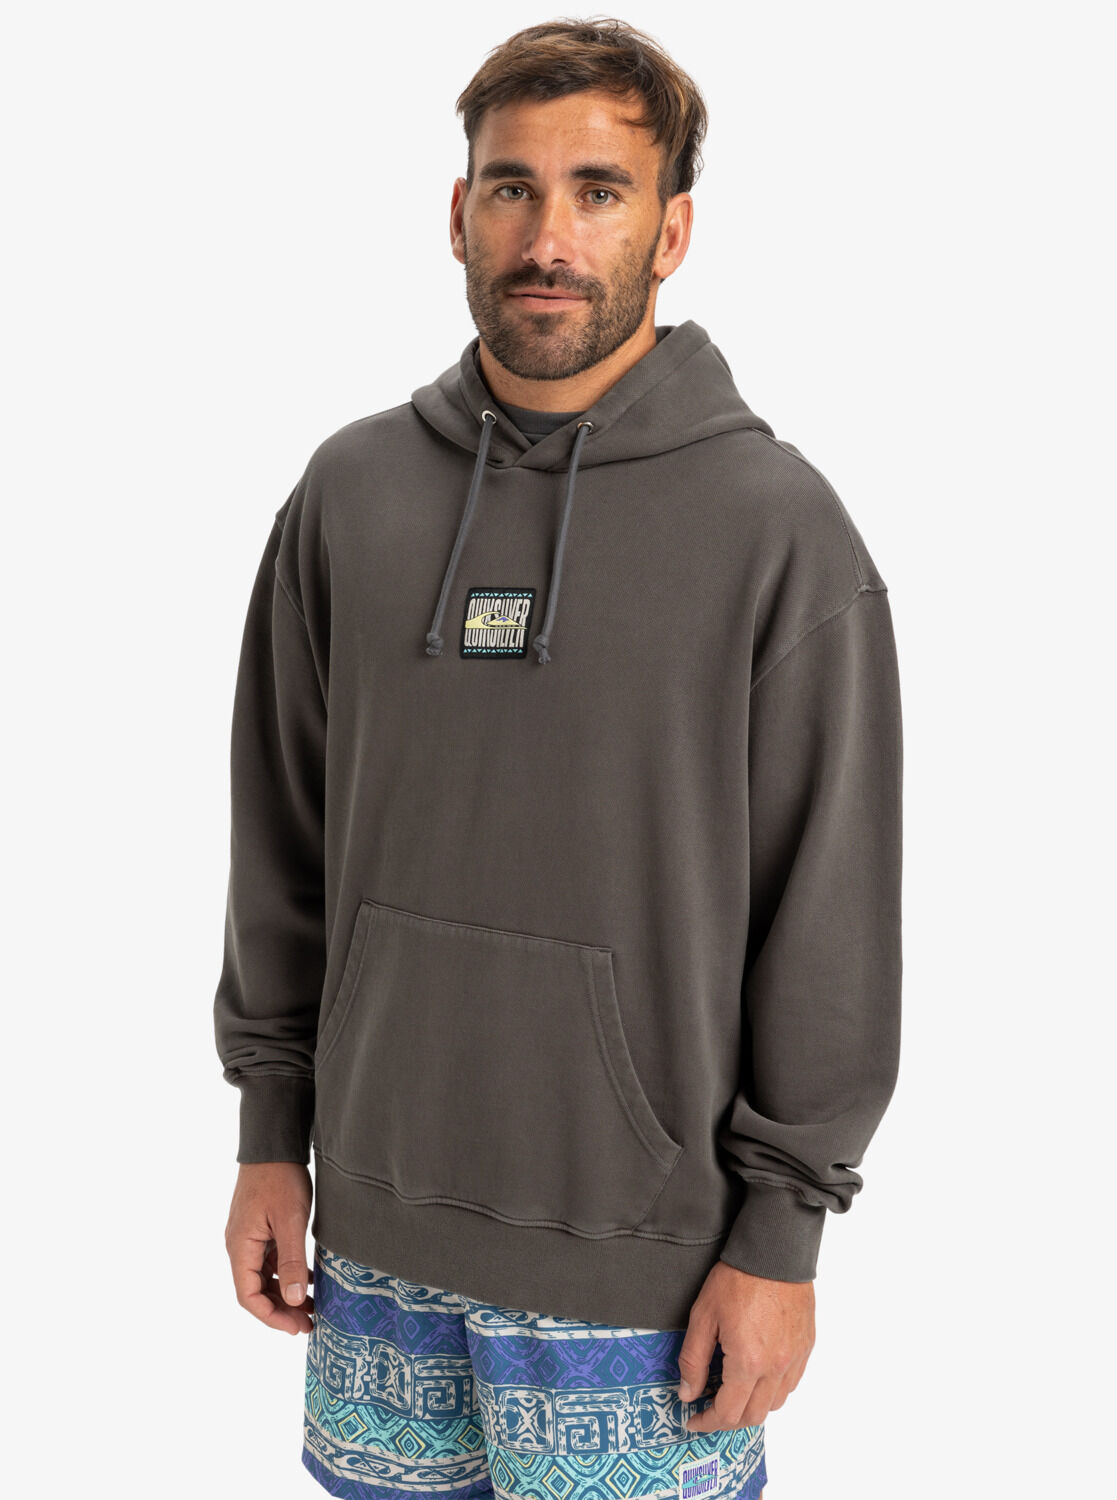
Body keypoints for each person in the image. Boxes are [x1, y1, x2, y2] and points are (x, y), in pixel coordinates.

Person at [214, 18, 903, 1500]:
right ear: (457, 212)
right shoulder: (348, 492)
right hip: (373, 1240)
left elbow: (829, 917)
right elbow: (281, 839)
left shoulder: (777, 529)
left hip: (643, 1272)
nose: (548, 237)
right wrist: (272, 1136)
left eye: (599, 191)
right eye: (511, 187)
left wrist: (781, 1238)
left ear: (673, 231)